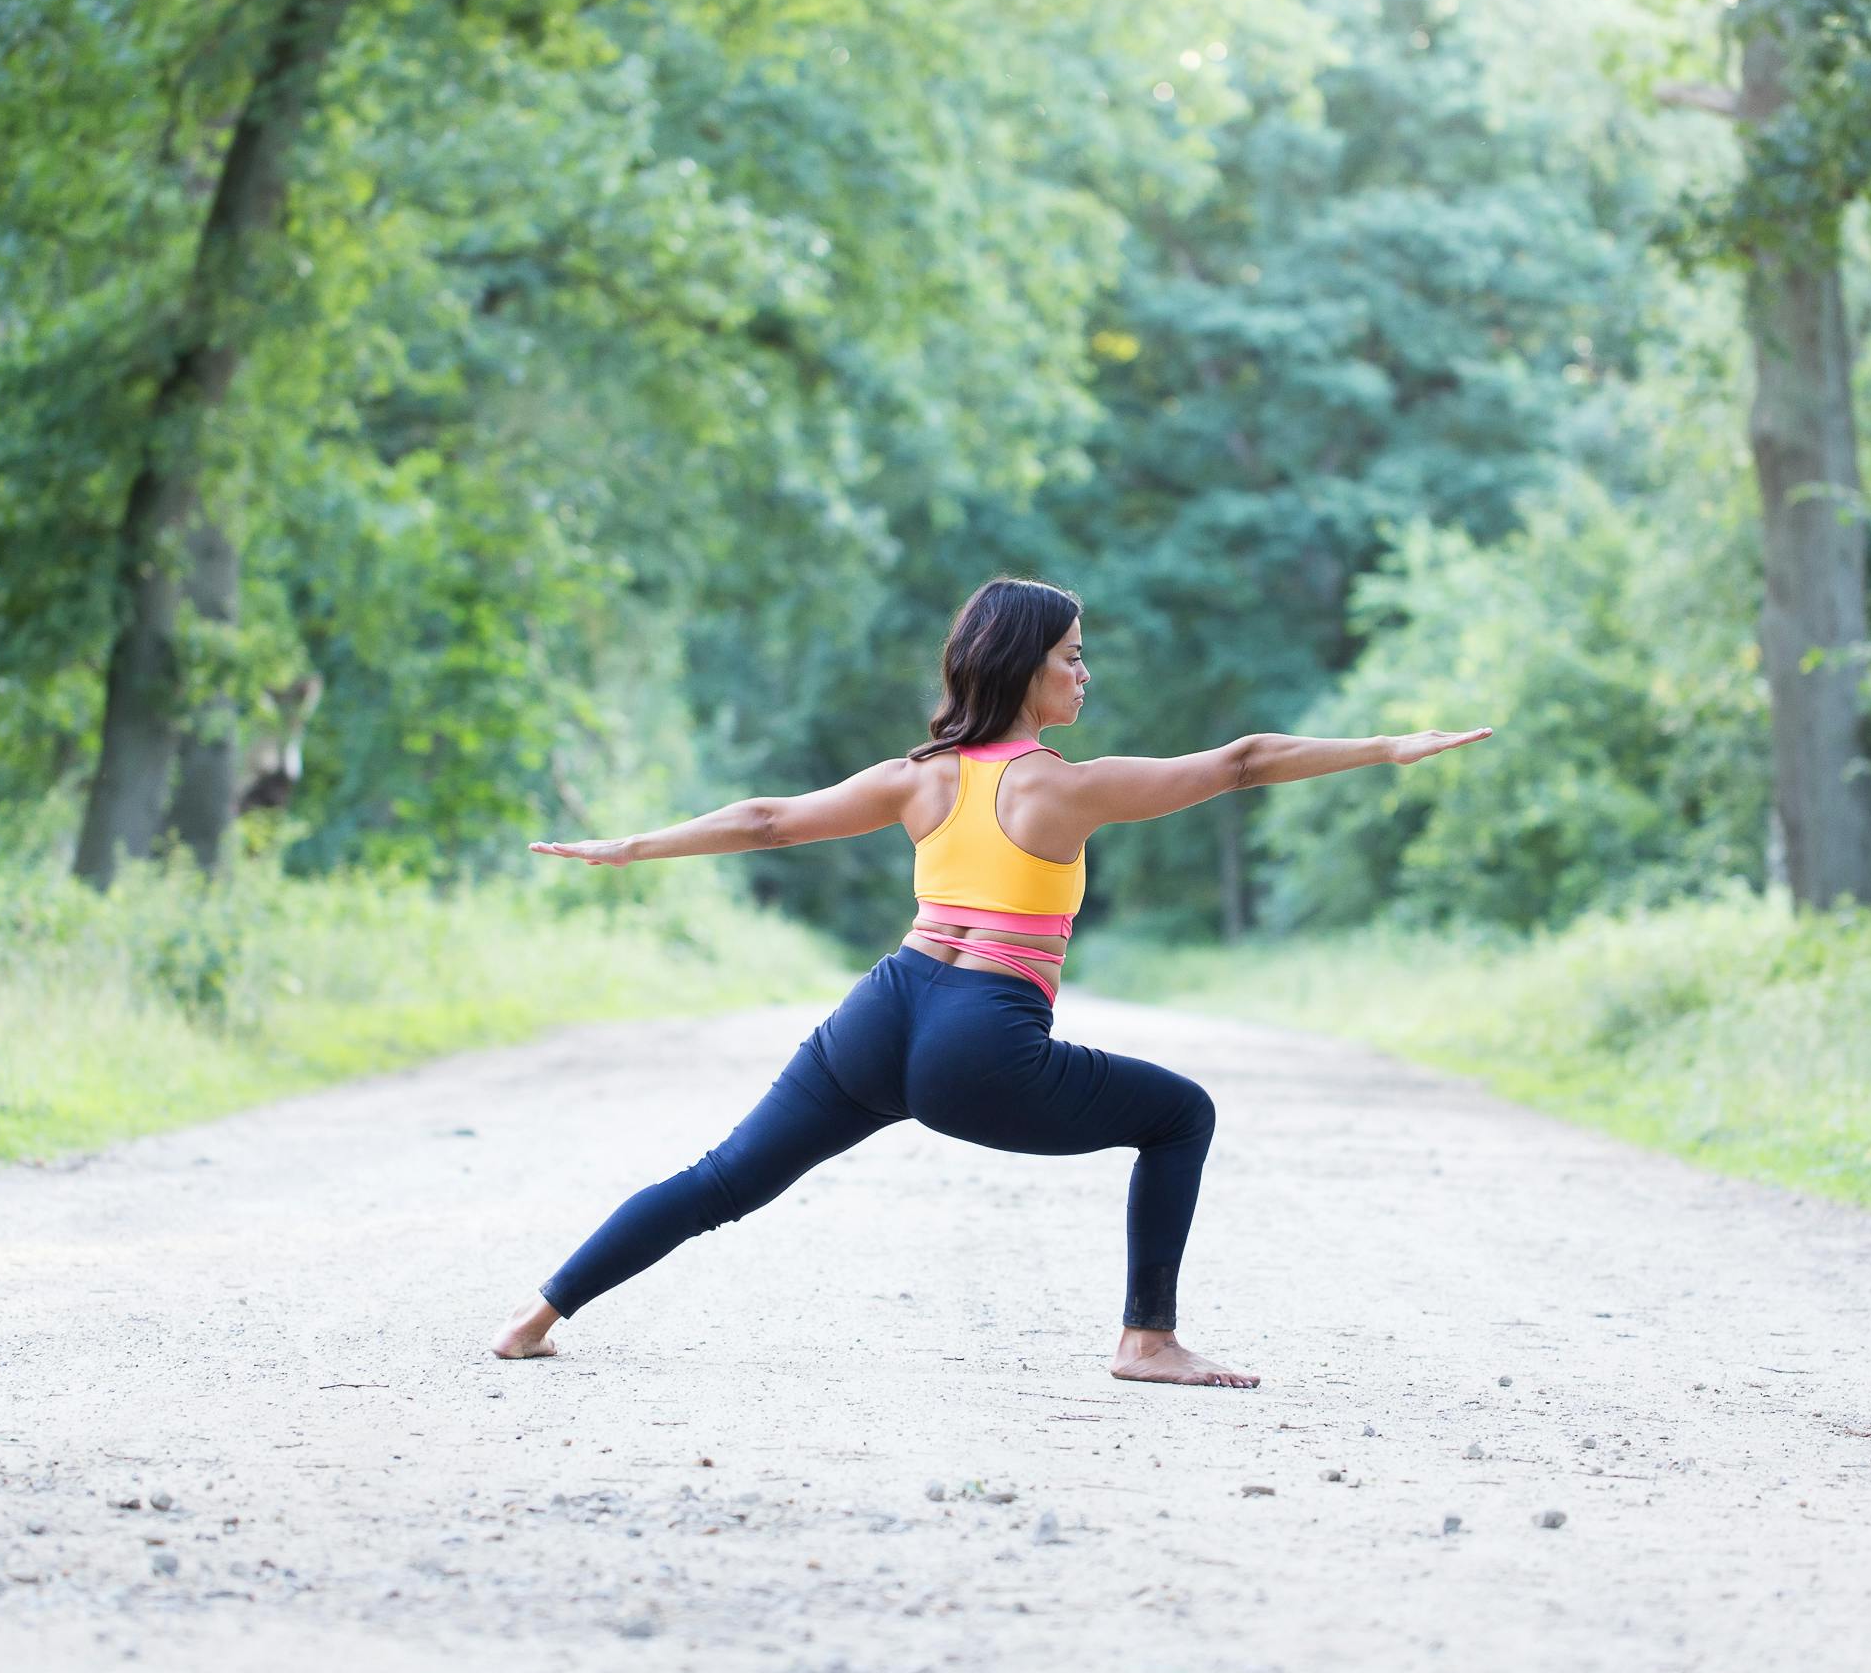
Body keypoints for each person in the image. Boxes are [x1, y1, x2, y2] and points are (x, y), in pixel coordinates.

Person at [494, 577, 1489, 1387]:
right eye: (1071, 655)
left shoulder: (918, 776)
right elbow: (1240, 763)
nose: (1083, 672)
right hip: (982, 1036)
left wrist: (630, 845)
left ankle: (536, 1316)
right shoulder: (1066, 783)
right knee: (1180, 1112)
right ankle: (1148, 1340)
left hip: (884, 1009)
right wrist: (1389, 747)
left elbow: (766, 818)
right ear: (1025, 668)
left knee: (724, 1177)